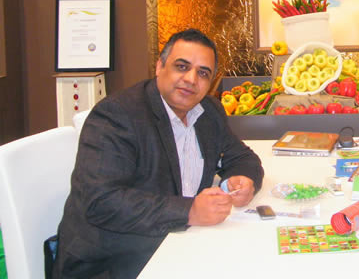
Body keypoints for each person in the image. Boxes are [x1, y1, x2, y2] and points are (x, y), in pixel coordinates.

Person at [53, 29, 264, 278]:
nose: (191, 79)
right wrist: (189, 211)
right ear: (159, 67)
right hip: (112, 262)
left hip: (177, 245)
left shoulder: (208, 111)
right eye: (182, 66)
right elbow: (102, 202)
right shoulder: (116, 115)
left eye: (203, 73)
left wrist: (242, 179)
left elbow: (243, 158)